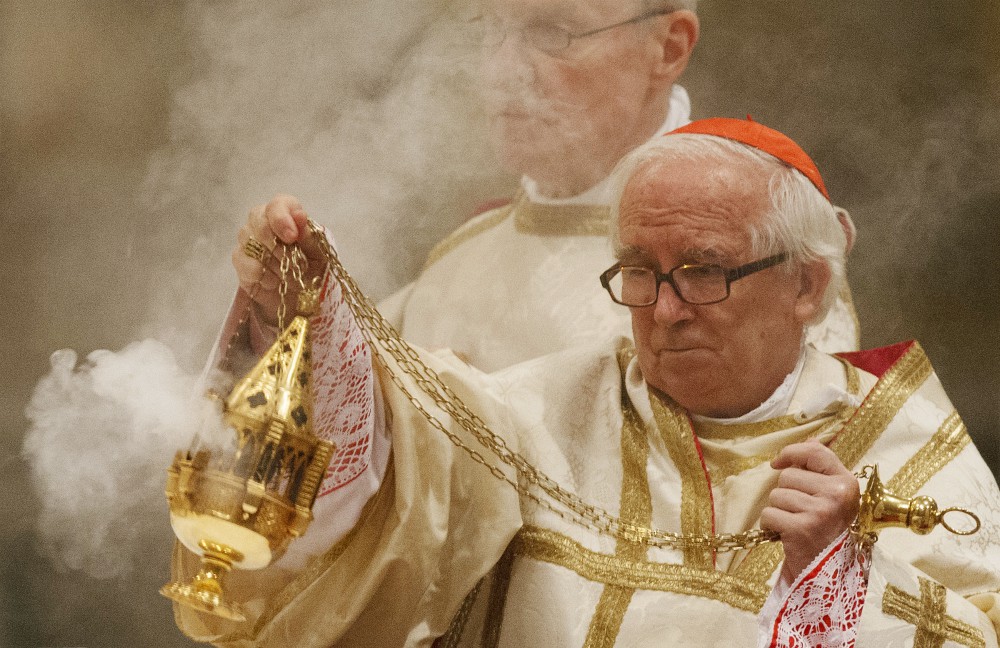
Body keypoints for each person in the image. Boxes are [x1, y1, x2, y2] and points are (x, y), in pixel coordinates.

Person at [173, 118, 1000, 647]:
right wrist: (309, 323)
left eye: (703, 273)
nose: (664, 311)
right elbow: (396, 461)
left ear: (809, 283)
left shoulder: (908, 455)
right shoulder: (544, 414)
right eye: (638, 272)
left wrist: (839, 583)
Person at [253, 0, 860, 375]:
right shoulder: (459, 262)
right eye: (489, 31)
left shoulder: (759, 262)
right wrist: (287, 309)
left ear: (668, 47)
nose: (502, 73)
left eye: (554, 33)